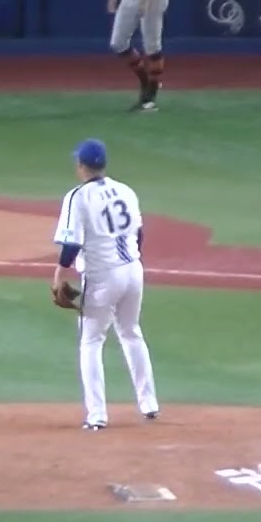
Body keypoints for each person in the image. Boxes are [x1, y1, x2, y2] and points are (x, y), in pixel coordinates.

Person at [52, 138, 160, 429]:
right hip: (133, 270)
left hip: (102, 276)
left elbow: (71, 243)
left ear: (81, 166)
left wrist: (59, 275)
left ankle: (97, 415)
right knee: (131, 332)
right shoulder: (125, 190)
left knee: (90, 341)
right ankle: (149, 404)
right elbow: (138, 234)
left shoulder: (78, 197)